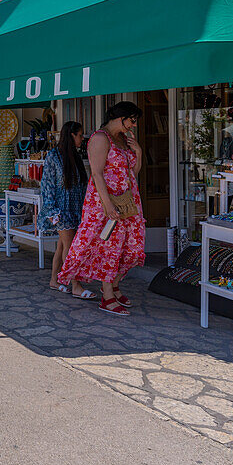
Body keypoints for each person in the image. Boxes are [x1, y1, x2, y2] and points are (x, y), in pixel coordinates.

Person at [58, 101, 146, 317]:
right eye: (131, 120)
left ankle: (114, 285)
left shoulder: (125, 140)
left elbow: (133, 172)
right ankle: (107, 296)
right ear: (120, 117)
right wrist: (108, 205)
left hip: (128, 201)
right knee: (110, 248)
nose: (133, 125)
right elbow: (96, 174)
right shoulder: (100, 138)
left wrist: (139, 152)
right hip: (104, 203)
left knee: (132, 247)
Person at [40, 121, 93, 299]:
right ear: (71, 135)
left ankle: (54, 280)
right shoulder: (53, 156)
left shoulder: (75, 157)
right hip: (61, 211)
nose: (82, 138)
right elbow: (46, 186)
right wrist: (52, 212)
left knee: (62, 247)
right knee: (71, 249)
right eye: (79, 135)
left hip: (75, 209)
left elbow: (80, 186)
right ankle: (75, 284)